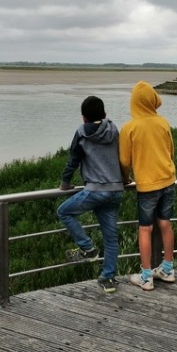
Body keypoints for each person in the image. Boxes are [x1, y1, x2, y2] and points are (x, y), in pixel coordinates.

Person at [57, 96, 124, 293]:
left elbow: (73, 160)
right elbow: (121, 156)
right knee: (111, 238)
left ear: (83, 117)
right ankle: (108, 279)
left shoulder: (81, 132)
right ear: (104, 115)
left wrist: (65, 183)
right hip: (115, 190)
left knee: (64, 212)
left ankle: (88, 248)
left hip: (96, 189)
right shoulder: (113, 129)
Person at [119, 80, 176, 291]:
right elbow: (171, 152)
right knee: (165, 224)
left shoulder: (129, 128)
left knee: (145, 228)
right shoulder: (163, 122)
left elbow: (124, 161)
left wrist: (126, 179)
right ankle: (168, 269)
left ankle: (146, 276)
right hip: (168, 180)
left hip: (147, 186)